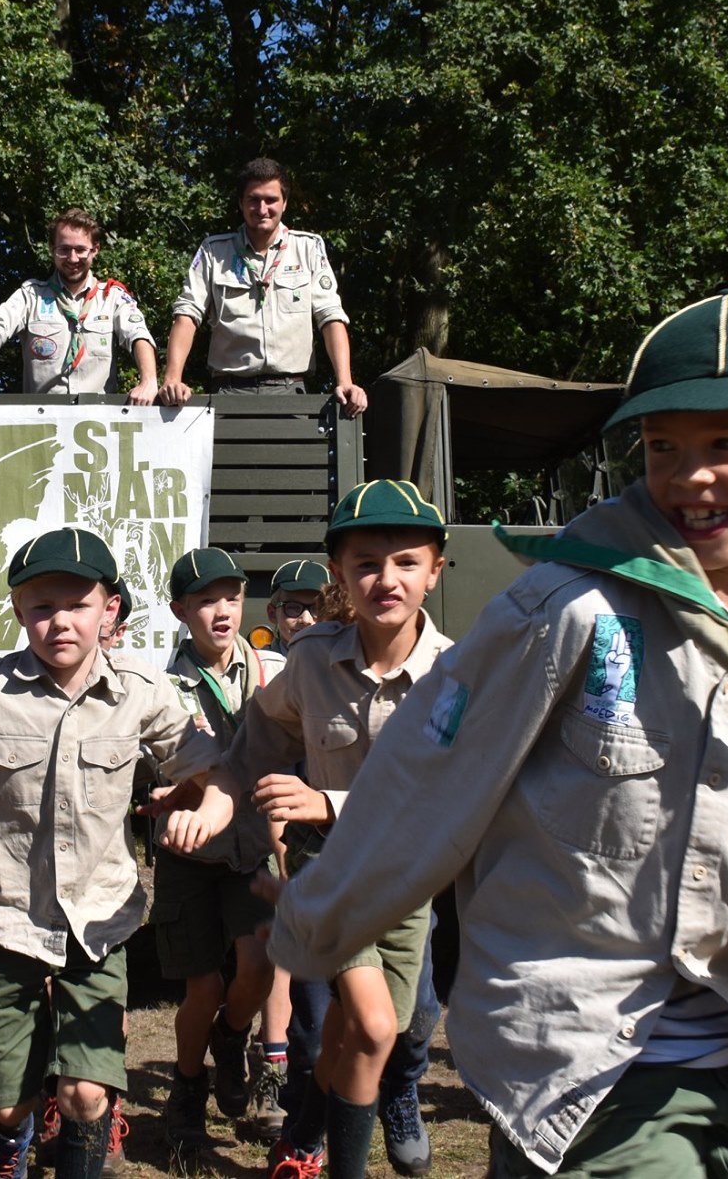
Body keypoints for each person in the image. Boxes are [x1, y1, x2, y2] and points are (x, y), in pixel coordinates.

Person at [192, 293, 728, 1178]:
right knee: (379, 1025)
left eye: (727, 443)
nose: (690, 474)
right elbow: (425, 772)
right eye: (662, 447)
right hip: (592, 1056)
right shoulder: (572, 607)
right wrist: (307, 916)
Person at [0, 528, 225, 1179]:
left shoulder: (143, 691)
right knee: (7, 1104)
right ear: (17, 610)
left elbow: (214, 767)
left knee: (86, 1094)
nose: (59, 620)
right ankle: (13, 1129)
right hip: (0, 914)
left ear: (110, 610)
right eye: (41, 606)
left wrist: (209, 806)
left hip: (98, 919)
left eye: (77, 604)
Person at [169, 481, 453, 1179]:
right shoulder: (310, 661)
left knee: (356, 1030)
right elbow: (252, 749)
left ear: (437, 569)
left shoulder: (457, 674)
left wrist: (327, 798)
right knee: (374, 1026)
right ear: (339, 575)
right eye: (365, 563)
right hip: (325, 868)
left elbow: (444, 797)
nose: (386, 579)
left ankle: (299, 1135)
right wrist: (217, 802)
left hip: (408, 877)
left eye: (407, 562)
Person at [157, 547, 284, 1172]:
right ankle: (185, 1090)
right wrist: (163, 791)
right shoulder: (158, 686)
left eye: (232, 597)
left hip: (255, 846)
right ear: (182, 610)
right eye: (207, 600)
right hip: (192, 853)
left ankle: (233, 1039)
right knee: (202, 985)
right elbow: (158, 764)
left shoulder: (275, 670)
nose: (223, 610)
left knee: (259, 964)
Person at [158, 159, 365, 414]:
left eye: (271, 199)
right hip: (228, 394)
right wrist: (172, 378)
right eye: (254, 199)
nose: (262, 208)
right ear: (241, 203)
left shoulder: (309, 248)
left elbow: (330, 317)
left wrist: (345, 381)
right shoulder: (213, 251)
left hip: (292, 394)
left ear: (285, 202)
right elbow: (187, 315)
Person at [0, 210, 158, 404]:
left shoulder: (112, 298)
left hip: (97, 424)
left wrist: (149, 381)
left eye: (80, 249)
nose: (72, 259)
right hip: (42, 423)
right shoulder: (30, 296)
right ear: (52, 249)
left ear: (95, 249)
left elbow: (138, 335)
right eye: (64, 249)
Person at [256, 559, 329, 651]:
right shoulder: (258, 664)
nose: (306, 620)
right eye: (293, 607)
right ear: (272, 613)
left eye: (318, 608)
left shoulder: (344, 663)